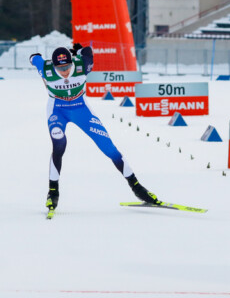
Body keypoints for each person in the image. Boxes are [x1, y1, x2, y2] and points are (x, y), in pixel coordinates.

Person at [29, 43, 160, 214]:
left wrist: (79, 50)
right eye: (60, 68)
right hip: (57, 110)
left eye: (67, 66)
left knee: (109, 148)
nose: (65, 71)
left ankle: (136, 186)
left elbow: (88, 52)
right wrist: (35, 56)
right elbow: (34, 58)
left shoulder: (82, 64)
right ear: (53, 66)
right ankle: (53, 190)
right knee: (59, 144)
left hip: (81, 109)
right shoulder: (45, 68)